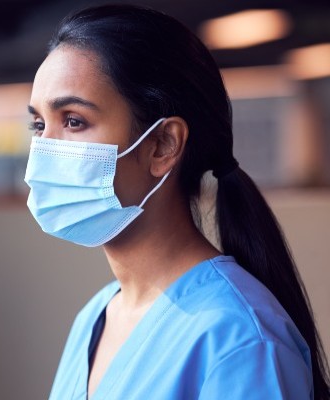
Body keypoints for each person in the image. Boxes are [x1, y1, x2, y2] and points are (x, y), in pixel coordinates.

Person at [24, 4, 329, 399]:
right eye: (38, 124)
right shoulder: (96, 318)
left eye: (74, 120)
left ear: (163, 145)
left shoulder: (240, 340)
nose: (44, 150)